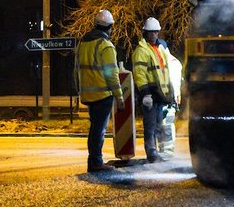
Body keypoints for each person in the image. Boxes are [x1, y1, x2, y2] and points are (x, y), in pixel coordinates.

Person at [75, 9, 125, 173]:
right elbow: (112, 75)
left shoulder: (83, 43)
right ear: (110, 27)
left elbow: (77, 69)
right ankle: (96, 162)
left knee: (94, 129)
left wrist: (79, 90)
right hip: (102, 95)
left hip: (88, 94)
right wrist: (119, 97)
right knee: (99, 130)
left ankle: (93, 161)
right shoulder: (106, 45)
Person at [131, 17, 176, 163]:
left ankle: (155, 153)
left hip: (159, 95)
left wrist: (170, 94)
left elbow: (166, 73)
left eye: (156, 32)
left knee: (157, 126)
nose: (153, 35)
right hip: (150, 94)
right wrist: (145, 94)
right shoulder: (141, 50)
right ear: (145, 33)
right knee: (150, 127)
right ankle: (151, 154)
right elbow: (139, 74)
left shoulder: (160, 49)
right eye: (151, 32)